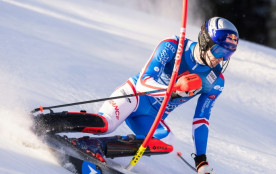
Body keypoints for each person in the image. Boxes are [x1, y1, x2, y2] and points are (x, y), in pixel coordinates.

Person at [73, 17, 239, 174]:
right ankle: (55, 121)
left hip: (151, 116)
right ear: (205, 41)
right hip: (134, 96)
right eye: (219, 50)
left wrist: (201, 159)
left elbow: (201, 119)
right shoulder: (173, 46)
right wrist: (173, 90)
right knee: (105, 125)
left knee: (166, 142)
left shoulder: (216, 80)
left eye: (228, 54)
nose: (221, 58)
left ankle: (95, 146)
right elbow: (144, 82)